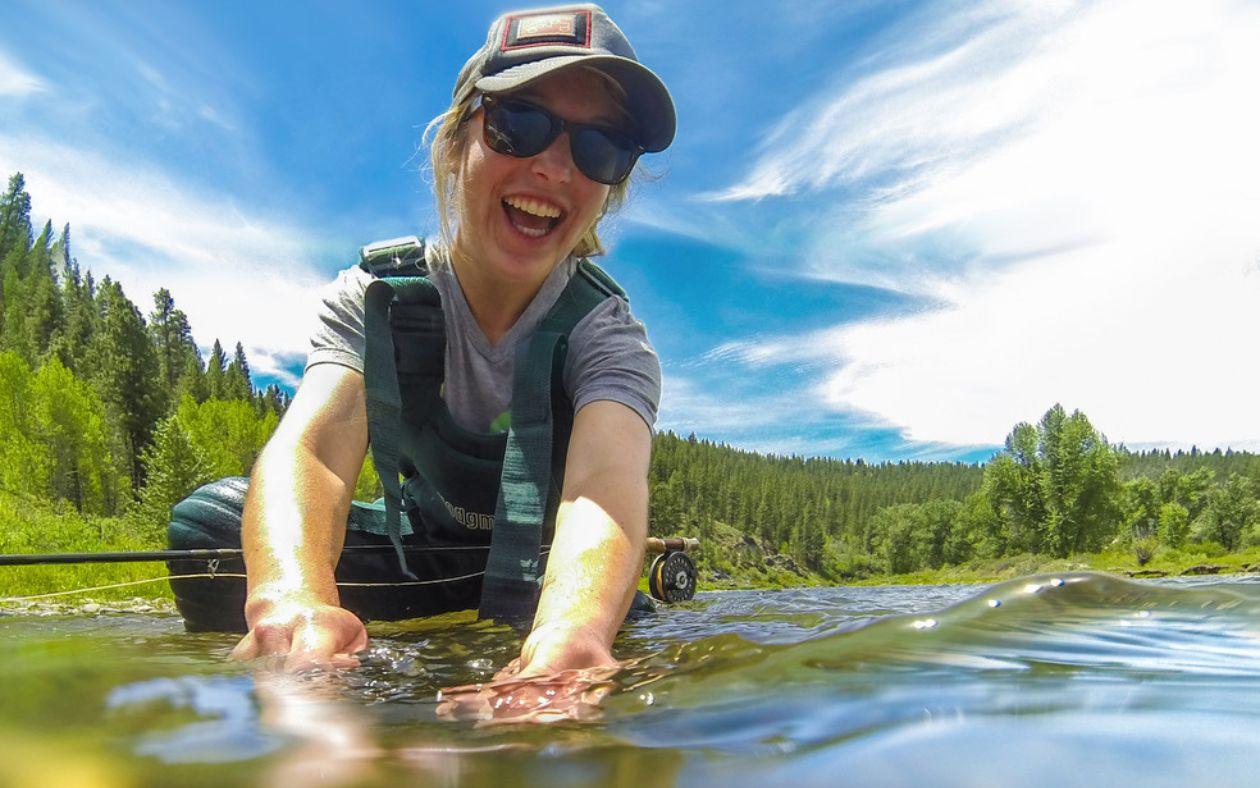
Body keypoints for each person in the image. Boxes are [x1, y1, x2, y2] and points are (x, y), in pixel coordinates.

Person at [166, 2, 675, 682]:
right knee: (209, 529)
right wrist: (293, 598)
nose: (556, 168)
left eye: (600, 147)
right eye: (518, 123)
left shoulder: (611, 337)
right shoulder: (375, 296)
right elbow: (313, 453)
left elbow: (602, 489)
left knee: (603, 627)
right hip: (427, 562)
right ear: (456, 141)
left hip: (548, 572)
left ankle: (568, 629)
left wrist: (573, 634)